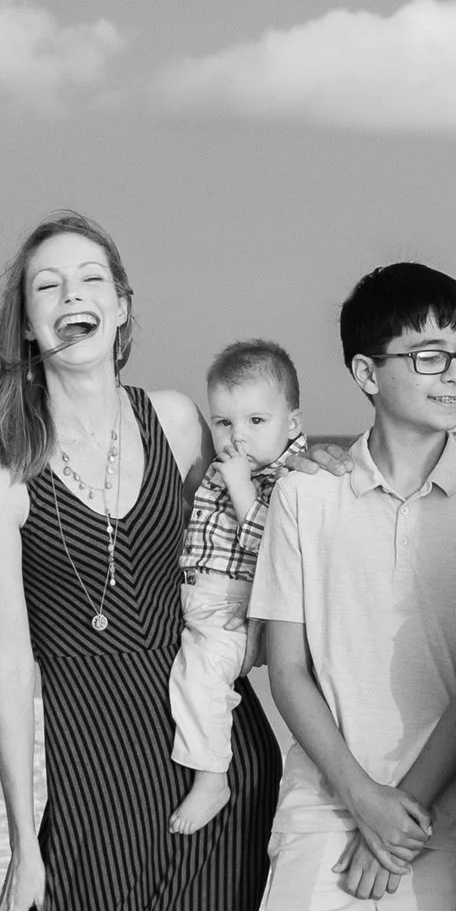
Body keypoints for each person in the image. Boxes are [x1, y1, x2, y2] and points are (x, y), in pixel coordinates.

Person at [0, 213, 257, 911]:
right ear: (27, 323)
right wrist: (24, 848)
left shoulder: (177, 422)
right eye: (48, 286)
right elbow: (9, 663)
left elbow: (239, 562)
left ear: (122, 306)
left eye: (92, 280)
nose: (72, 297)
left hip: (214, 767)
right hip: (98, 787)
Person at [250, 262, 456, 911]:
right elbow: (287, 670)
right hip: (324, 802)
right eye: (429, 355)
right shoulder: (305, 495)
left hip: (446, 815)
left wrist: (403, 820)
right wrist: (365, 802)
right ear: (367, 373)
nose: (455, 374)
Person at [167, 338, 302, 838]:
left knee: (200, 678)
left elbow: (276, 548)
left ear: (292, 424)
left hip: (234, 605)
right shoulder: (226, 468)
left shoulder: (288, 479)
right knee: (190, 678)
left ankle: (212, 777)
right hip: (197, 596)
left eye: (256, 420)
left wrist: (243, 486)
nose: (237, 436)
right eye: (223, 422)